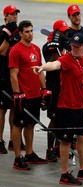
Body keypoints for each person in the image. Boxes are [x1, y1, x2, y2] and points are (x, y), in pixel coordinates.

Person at [32, 33, 83, 185]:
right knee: (66, 141)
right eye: (72, 46)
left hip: (78, 106)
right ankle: (64, 173)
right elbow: (55, 65)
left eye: (77, 46)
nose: (74, 49)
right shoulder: (66, 60)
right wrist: (42, 67)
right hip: (66, 107)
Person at [9, 20, 48, 170]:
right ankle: (18, 157)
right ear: (20, 33)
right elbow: (13, 74)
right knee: (18, 125)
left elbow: (39, 70)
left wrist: (44, 89)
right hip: (22, 96)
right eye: (27, 31)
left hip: (35, 94)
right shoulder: (16, 50)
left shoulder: (36, 49)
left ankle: (29, 153)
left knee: (31, 124)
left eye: (31, 31)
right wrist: (17, 94)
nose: (30, 34)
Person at [66, 4, 83, 159]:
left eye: (78, 14)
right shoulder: (67, 33)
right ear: (69, 17)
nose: (77, 17)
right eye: (73, 15)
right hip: (71, 81)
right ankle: (60, 146)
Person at [42, 20, 70, 162]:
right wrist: (54, 45)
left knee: (64, 118)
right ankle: (49, 149)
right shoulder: (47, 47)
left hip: (66, 86)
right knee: (54, 119)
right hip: (54, 86)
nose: (65, 33)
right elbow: (54, 63)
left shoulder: (67, 45)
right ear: (56, 32)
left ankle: (59, 147)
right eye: (63, 31)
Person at [0, 5, 25, 153]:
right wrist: (7, 35)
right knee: (2, 109)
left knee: (16, 107)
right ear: (5, 16)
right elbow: (2, 51)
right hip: (3, 75)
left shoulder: (18, 33)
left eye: (16, 14)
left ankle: (13, 140)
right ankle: (0, 139)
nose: (15, 16)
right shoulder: (2, 31)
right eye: (12, 14)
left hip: (16, 75)